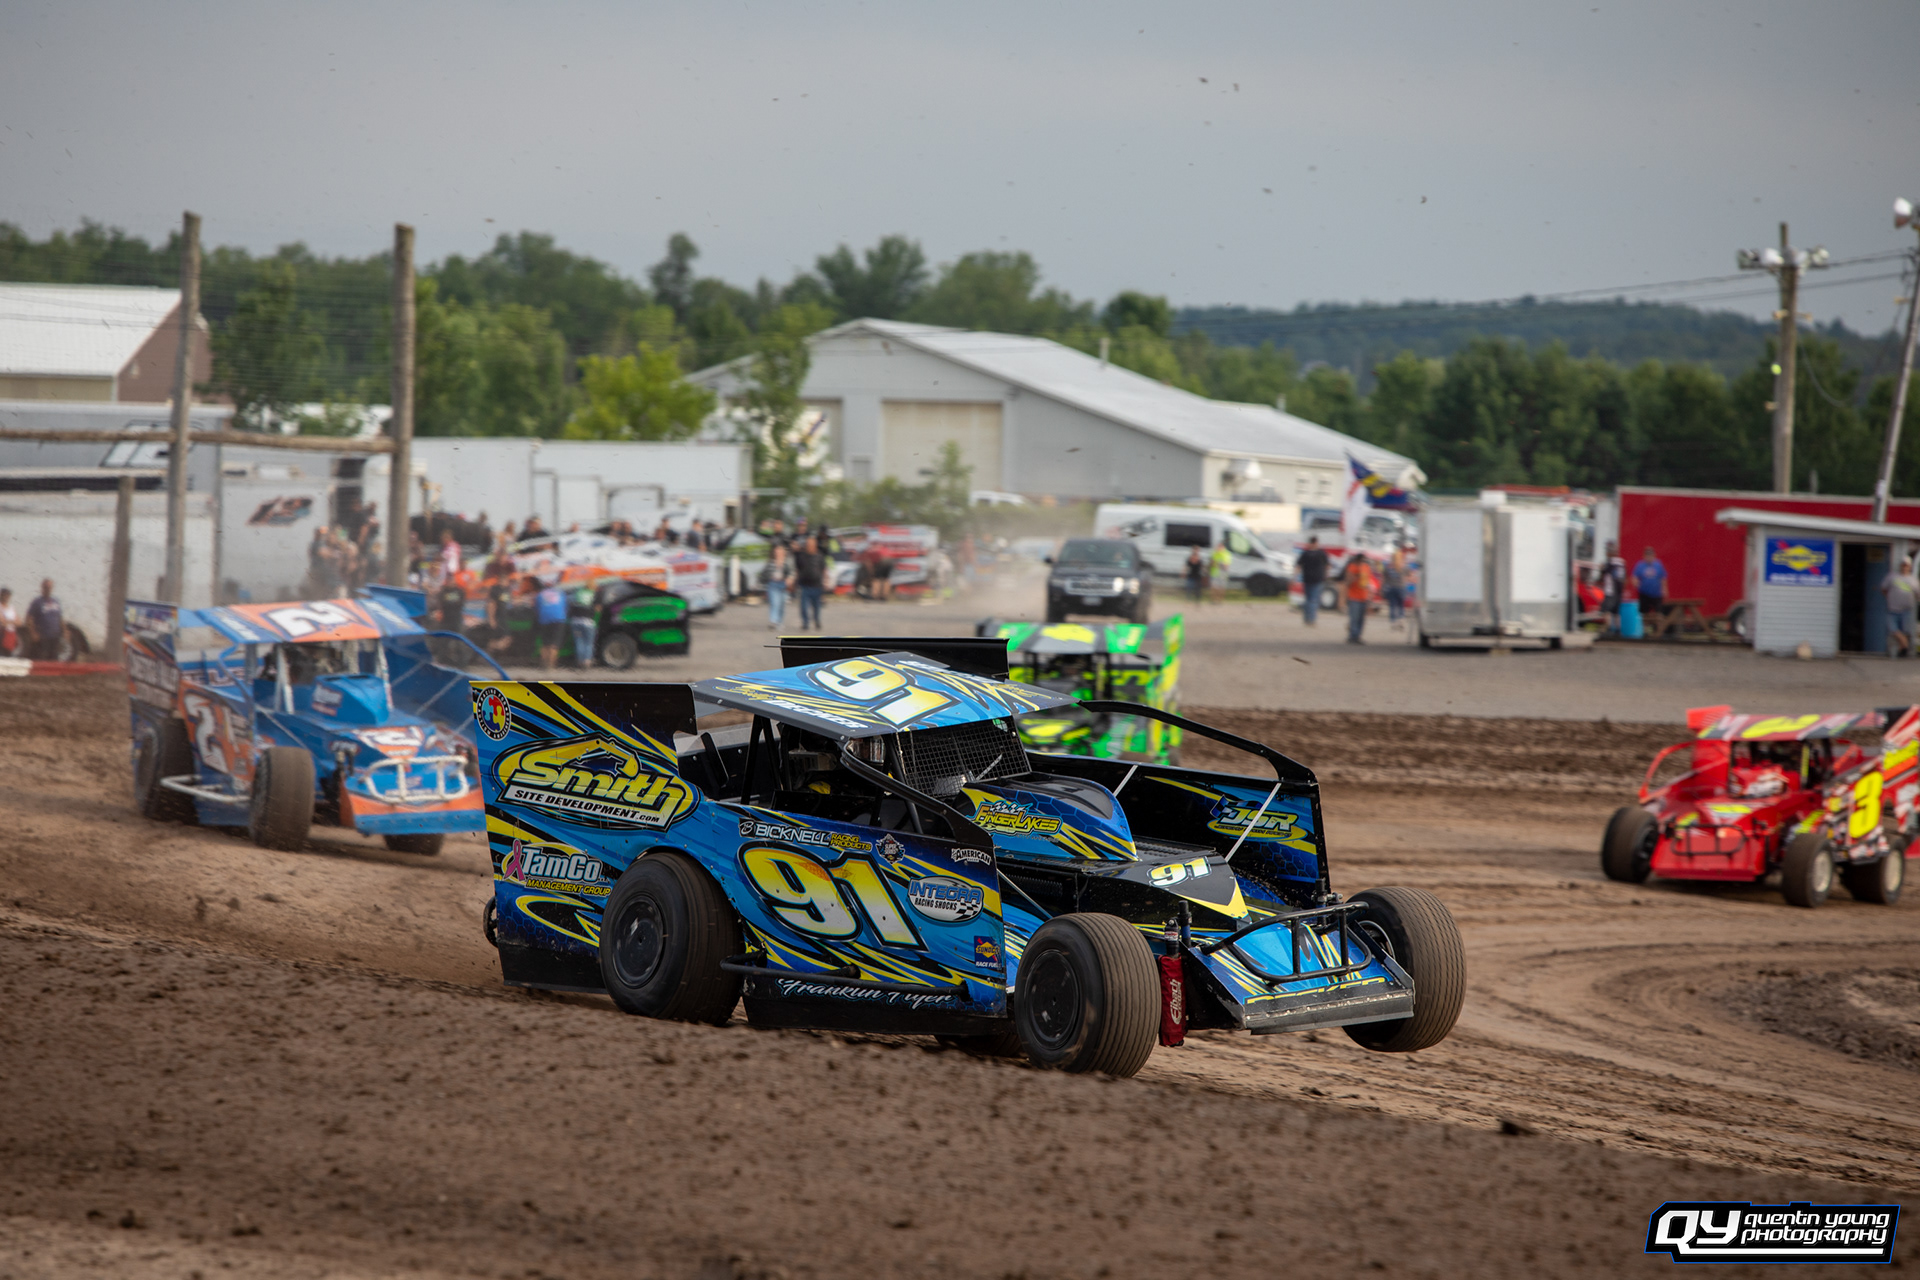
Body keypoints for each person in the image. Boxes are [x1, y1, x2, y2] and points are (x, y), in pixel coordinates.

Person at [1881, 556, 1919, 658]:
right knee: (1893, 629)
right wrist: (1890, 598)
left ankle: (1902, 650)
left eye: (1906, 565)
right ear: (1900, 566)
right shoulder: (1892, 577)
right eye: (1903, 565)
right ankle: (1905, 646)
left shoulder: (1913, 580)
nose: (1904, 567)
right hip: (1892, 610)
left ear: (1910, 567)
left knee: (1905, 631)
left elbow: (1918, 594)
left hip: (1906, 611)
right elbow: (1883, 589)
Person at [794, 535, 827, 630]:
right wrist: (795, 582)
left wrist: (825, 581)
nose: (809, 546)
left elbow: (823, 570)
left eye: (811, 544)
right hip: (804, 585)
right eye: (808, 544)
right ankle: (805, 623)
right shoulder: (801, 556)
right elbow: (798, 569)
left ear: (815, 545)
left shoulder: (820, 556)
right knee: (803, 606)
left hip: (817, 585)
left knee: (816, 606)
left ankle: (816, 620)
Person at [1341, 556, 1376, 644]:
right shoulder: (1352, 567)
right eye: (1360, 561)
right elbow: (1348, 582)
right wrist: (1356, 576)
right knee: (1354, 618)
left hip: (1364, 597)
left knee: (1361, 619)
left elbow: (1369, 582)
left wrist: (1370, 596)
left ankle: (1358, 636)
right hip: (1354, 597)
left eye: (1363, 561)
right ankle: (1353, 636)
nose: (1362, 563)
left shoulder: (1366, 568)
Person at [25, 579, 64, 660]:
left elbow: (60, 617)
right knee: (41, 659)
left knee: (54, 659)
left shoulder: (56, 601)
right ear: (42, 588)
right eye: (46, 587)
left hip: (55, 636)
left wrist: (65, 630)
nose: (48, 589)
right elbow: (29, 618)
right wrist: (33, 633)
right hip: (42, 636)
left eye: (50, 587)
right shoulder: (37, 602)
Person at [534, 575, 567, 669]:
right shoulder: (561, 594)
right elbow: (565, 607)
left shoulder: (540, 594)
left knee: (545, 643)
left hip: (544, 619)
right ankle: (551, 666)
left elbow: (537, 608)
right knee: (554, 644)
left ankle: (544, 664)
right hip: (558, 619)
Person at [1632, 546, 1668, 630]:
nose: (1649, 557)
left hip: (1656, 593)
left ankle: (1659, 630)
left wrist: (1664, 589)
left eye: (1651, 555)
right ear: (1644, 556)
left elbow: (1663, 577)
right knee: (1644, 613)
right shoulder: (1640, 565)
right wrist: (1636, 583)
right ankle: (1644, 630)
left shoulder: (1658, 565)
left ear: (1654, 556)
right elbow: (1634, 576)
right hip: (1644, 593)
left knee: (1659, 613)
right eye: (1647, 555)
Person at [1297, 536, 1329, 626]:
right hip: (1317, 579)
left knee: (1308, 599)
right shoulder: (1321, 553)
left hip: (1307, 579)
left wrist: (1294, 577)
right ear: (1315, 543)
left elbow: (1298, 566)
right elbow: (1327, 565)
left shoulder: (1305, 553)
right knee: (1313, 600)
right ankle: (1311, 619)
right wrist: (1326, 575)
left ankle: (1306, 618)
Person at [568, 583, 599, 668]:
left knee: (579, 641)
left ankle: (580, 662)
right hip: (588, 622)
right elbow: (598, 609)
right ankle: (586, 662)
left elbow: (570, 604)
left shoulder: (576, 593)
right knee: (588, 643)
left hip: (575, 622)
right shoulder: (594, 594)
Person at [765, 541, 791, 631]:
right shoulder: (771, 562)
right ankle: (773, 621)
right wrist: (769, 576)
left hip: (783, 585)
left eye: (780, 551)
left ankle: (780, 622)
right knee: (775, 603)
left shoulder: (786, 562)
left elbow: (790, 573)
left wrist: (789, 579)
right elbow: (765, 573)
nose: (778, 552)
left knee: (781, 605)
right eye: (777, 551)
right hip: (773, 584)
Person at [1602, 541, 1627, 633]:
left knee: (1606, 610)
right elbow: (1624, 578)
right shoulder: (1621, 563)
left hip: (1610, 591)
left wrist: (1602, 568)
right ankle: (1618, 630)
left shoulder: (1610, 563)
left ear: (1610, 553)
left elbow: (1604, 573)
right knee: (1616, 612)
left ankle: (1608, 629)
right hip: (1619, 591)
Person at [1383, 548, 1407, 628]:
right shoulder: (1403, 566)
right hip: (1400, 587)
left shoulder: (1388, 566)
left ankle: (1393, 621)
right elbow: (1406, 577)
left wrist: (1382, 588)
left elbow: (1385, 578)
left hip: (1391, 588)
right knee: (1401, 605)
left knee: (1392, 605)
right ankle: (1401, 619)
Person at [1208, 540, 1232, 604]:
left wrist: (1218, 564)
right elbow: (1211, 562)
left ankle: (1219, 600)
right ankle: (1214, 599)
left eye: (1220, 546)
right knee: (1214, 587)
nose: (1218, 548)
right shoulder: (1214, 553)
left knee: (1221, 587)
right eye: (1218, 546)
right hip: (1214, 572)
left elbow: (1226, 565)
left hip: (1222, 573)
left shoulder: (1226, 554)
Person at [0, 587, 17, 656]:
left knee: (9, 655)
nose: (6, 597)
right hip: (2, 634)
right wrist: (13, 621)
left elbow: (19, 622)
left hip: (11, 634)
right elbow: (2, 622)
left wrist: (8, 622)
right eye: (5, 595)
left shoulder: (11, 607)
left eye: (8, 595)